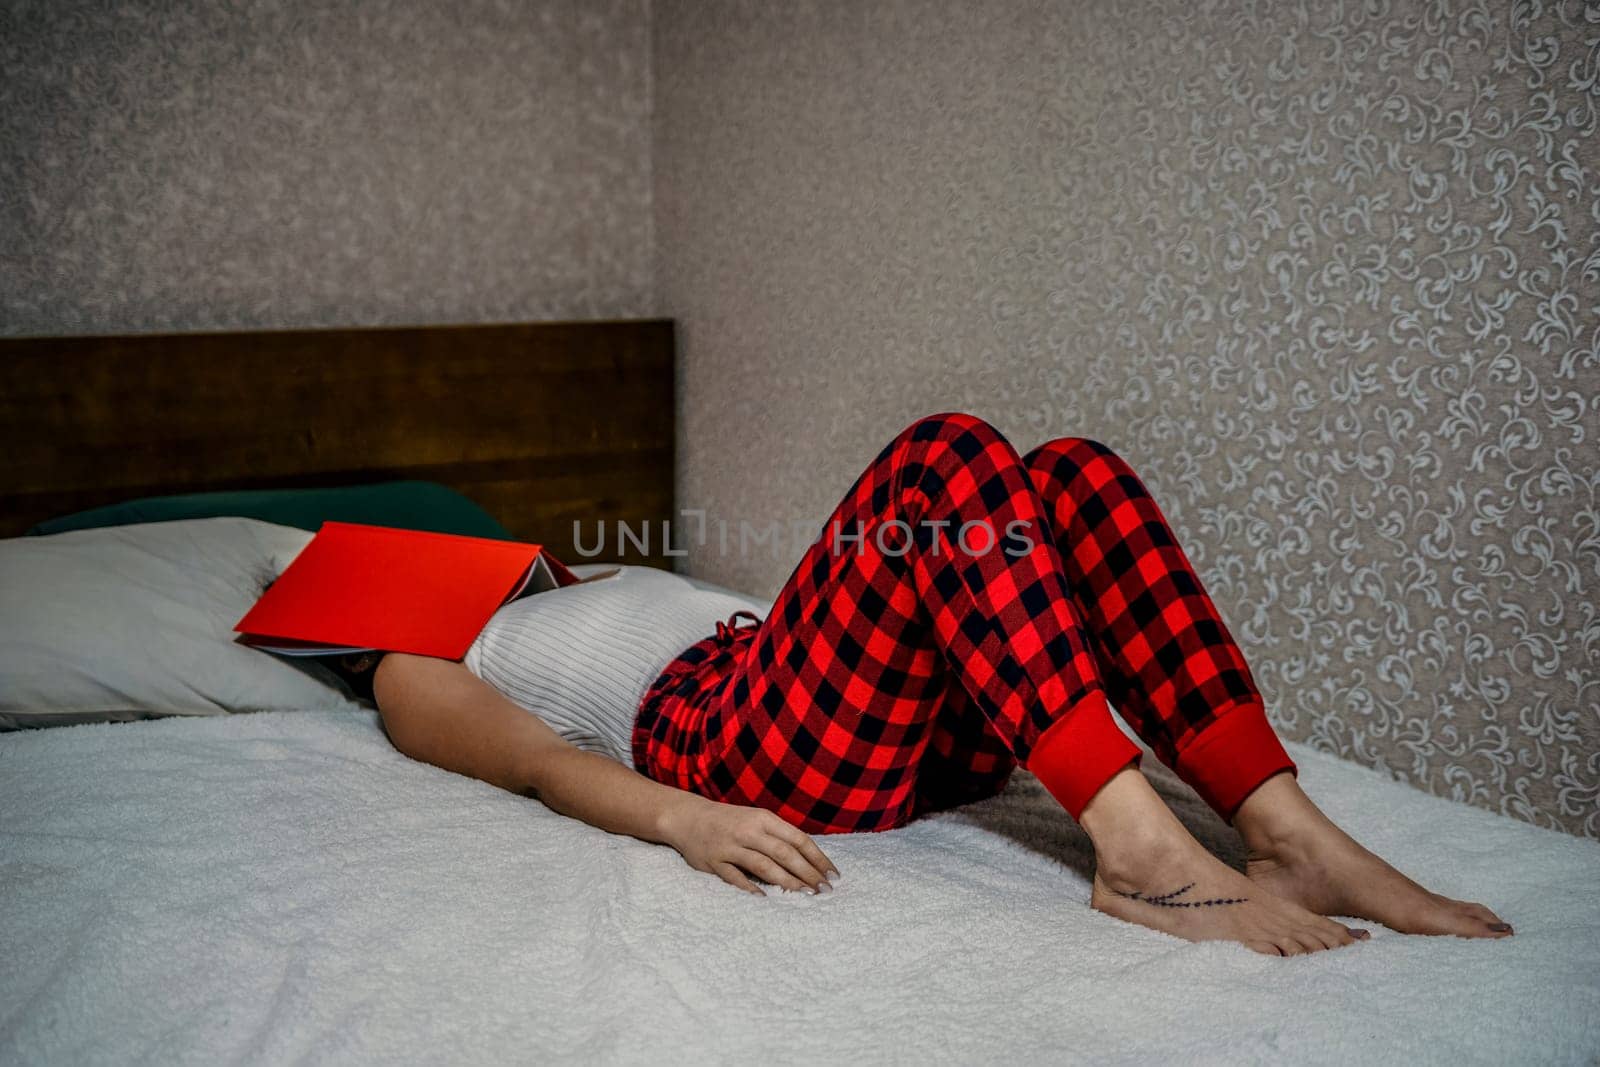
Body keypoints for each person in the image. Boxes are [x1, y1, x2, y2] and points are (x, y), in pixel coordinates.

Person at [348, 412, 1513, 956]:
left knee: (1071, 474)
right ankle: (1141, 853)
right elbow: (546, 768)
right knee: (942, 456)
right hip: (739, 740)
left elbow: (861, 617)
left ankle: (1286, 825)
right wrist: (688, 820)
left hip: (881, 708)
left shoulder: (591, 572)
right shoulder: (417, 659)